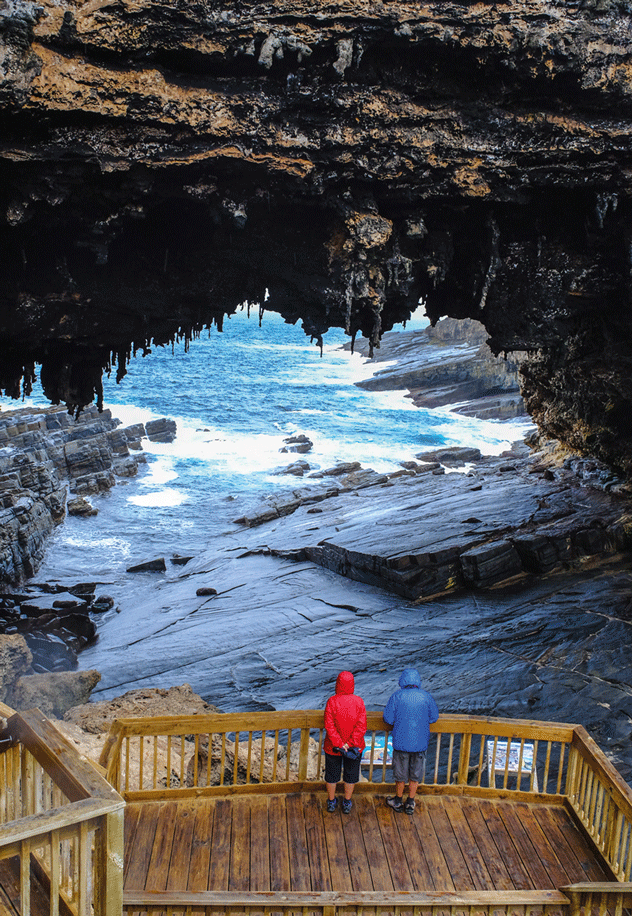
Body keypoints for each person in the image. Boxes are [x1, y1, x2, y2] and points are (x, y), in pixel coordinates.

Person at [383, 667, 438, 815]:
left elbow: (388, 718)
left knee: (400, 775)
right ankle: (411, 802)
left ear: (403, 680)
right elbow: (434, 717)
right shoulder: (426, 696)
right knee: (415, 775)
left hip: (401, 742)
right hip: (420, 744)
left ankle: (398, 800)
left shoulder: (397, 696)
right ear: (417, 681)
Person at [323, 670, 367, 813]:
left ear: (338, 684)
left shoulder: (332, 701)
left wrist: (340, 744)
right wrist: (349, 744)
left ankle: (331, 801)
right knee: (351, 774)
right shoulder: (359, 702)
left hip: (333, 747)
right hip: (354, 748)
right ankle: (347, 802)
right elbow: (361, 726)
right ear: (352, 684)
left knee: (332, 774)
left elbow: (329, 725)